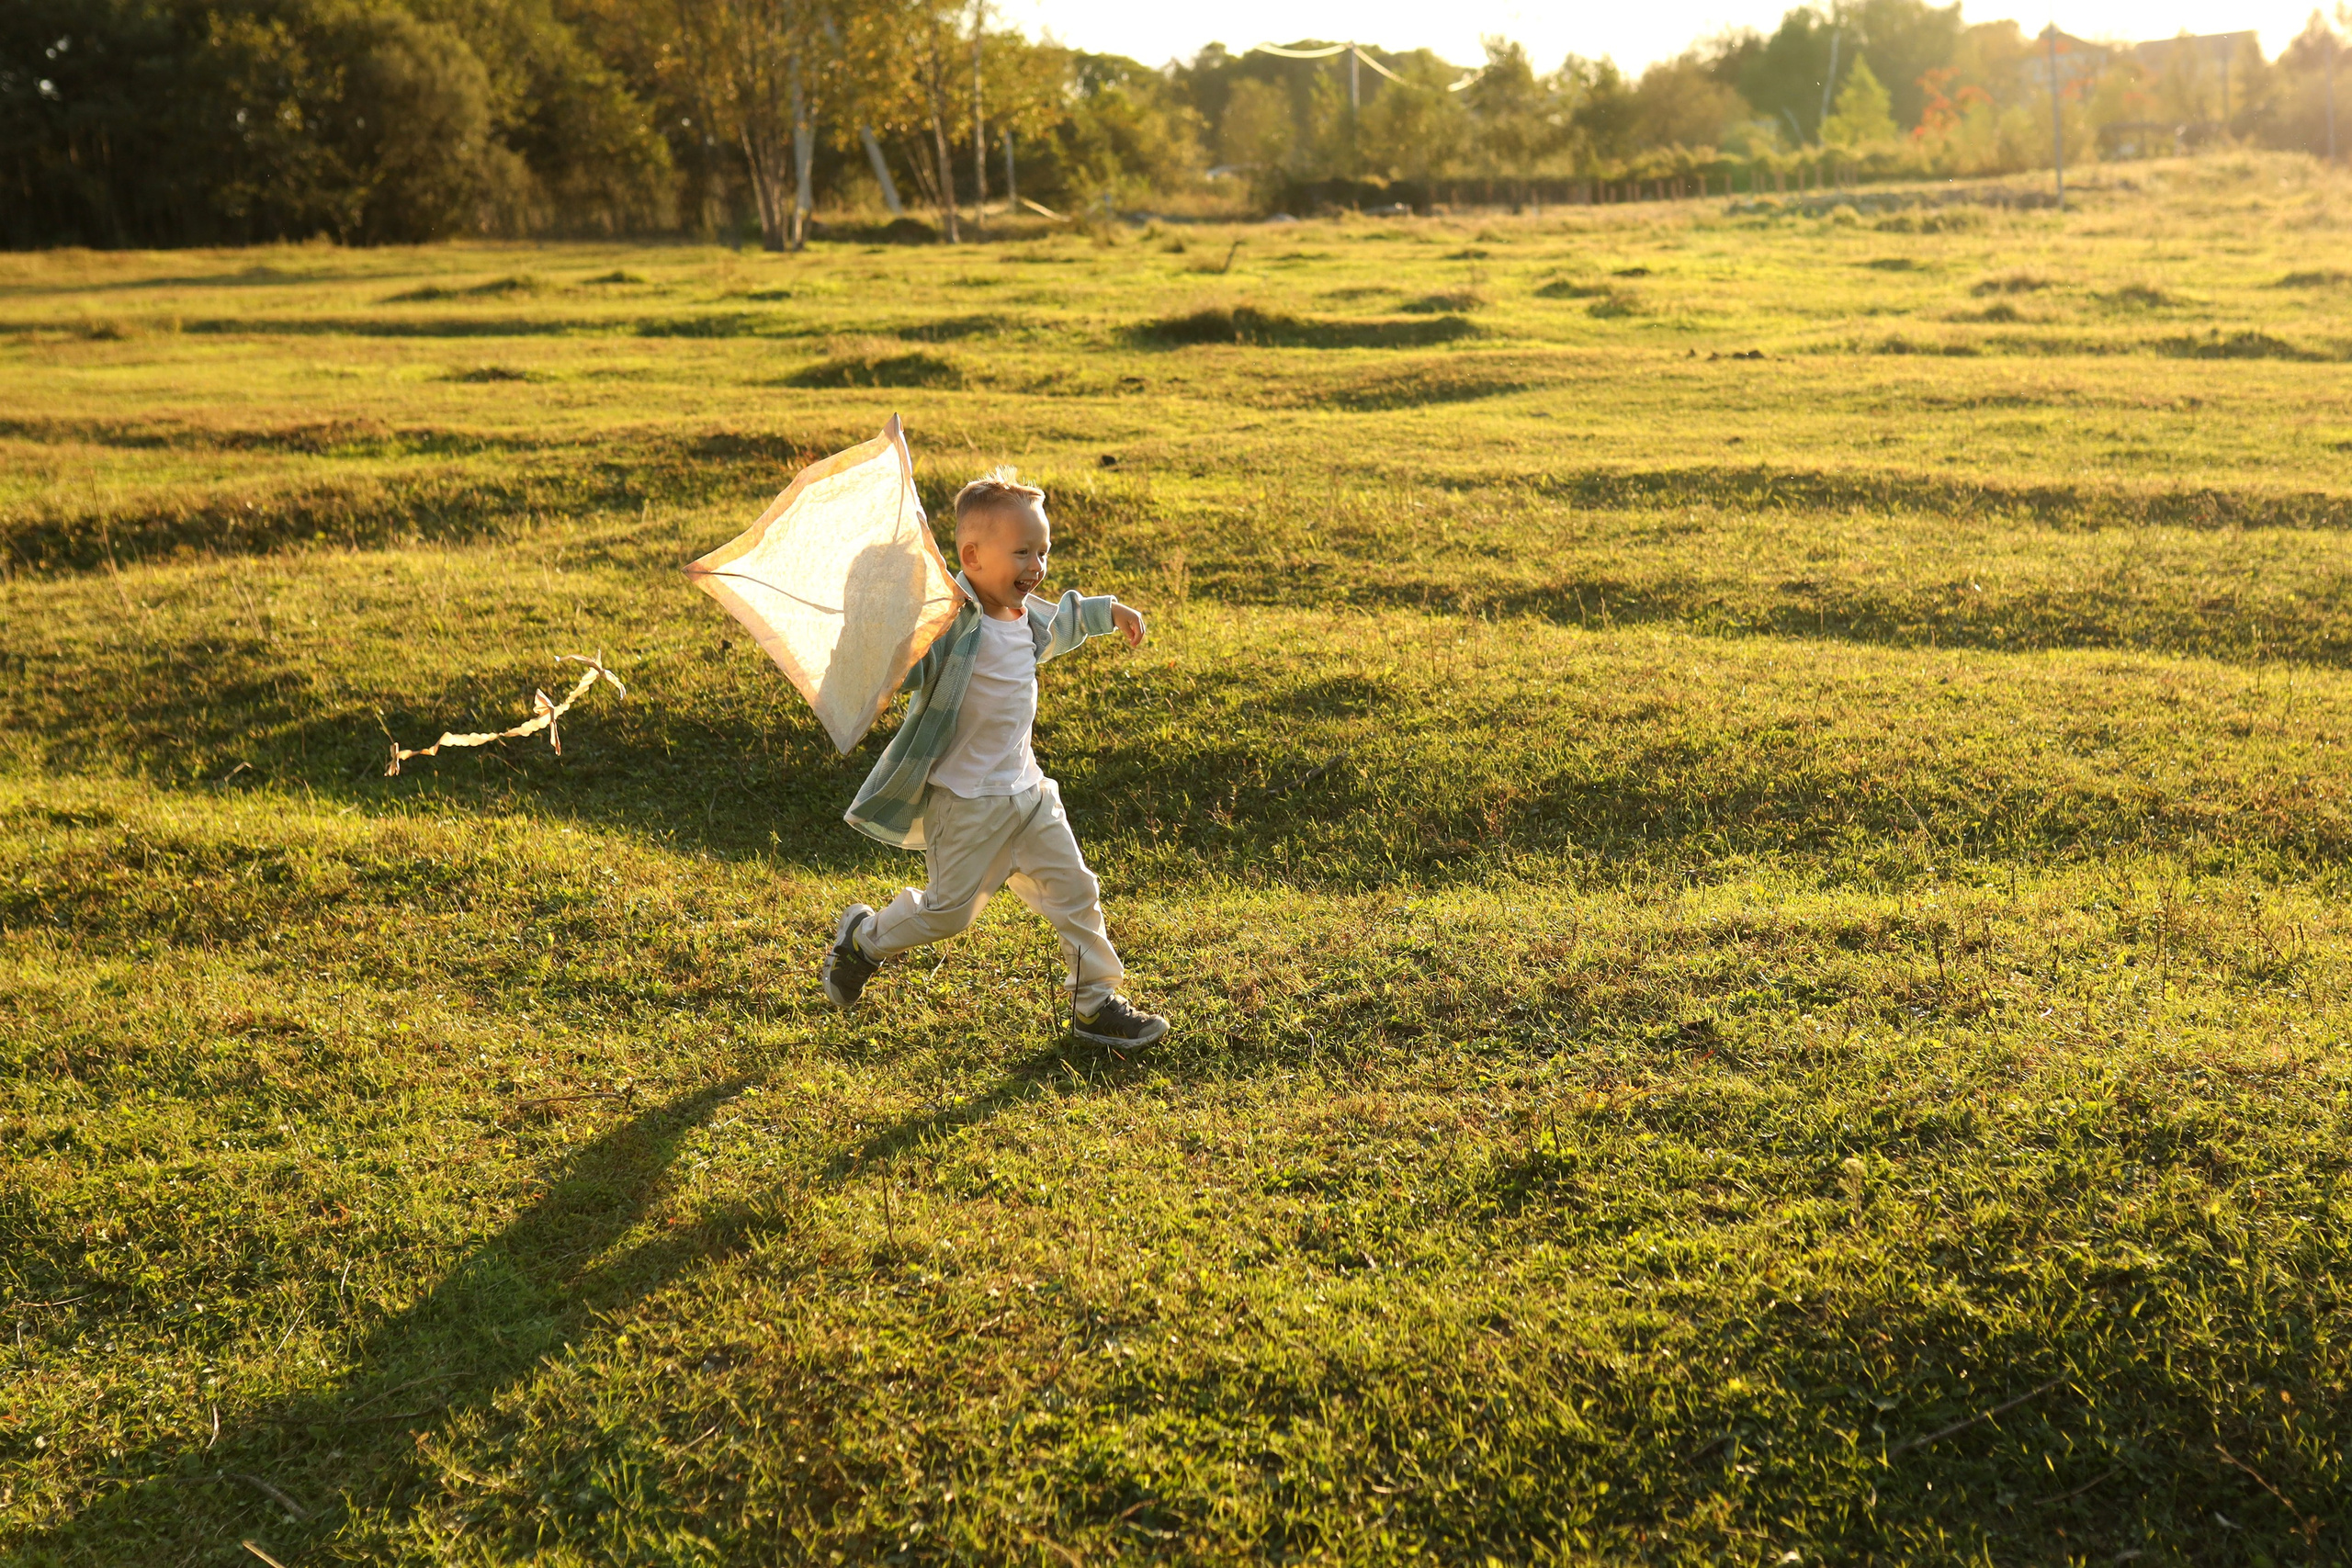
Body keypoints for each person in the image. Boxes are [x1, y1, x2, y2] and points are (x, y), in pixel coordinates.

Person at [820, 468, 1170, 1045]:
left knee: (1076, 889)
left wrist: (1113, 612)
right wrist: (875, 640)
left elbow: (1068, 619)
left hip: (1028, 794)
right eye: (1023, 553)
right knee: (948, 912)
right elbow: (908, 671)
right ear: (973, 556)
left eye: (1043, 552)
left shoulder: (1026, 618)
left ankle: (1094, 1004)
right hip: (966, 802)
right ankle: (864, 939)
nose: (1037, 567)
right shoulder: (949, 625)